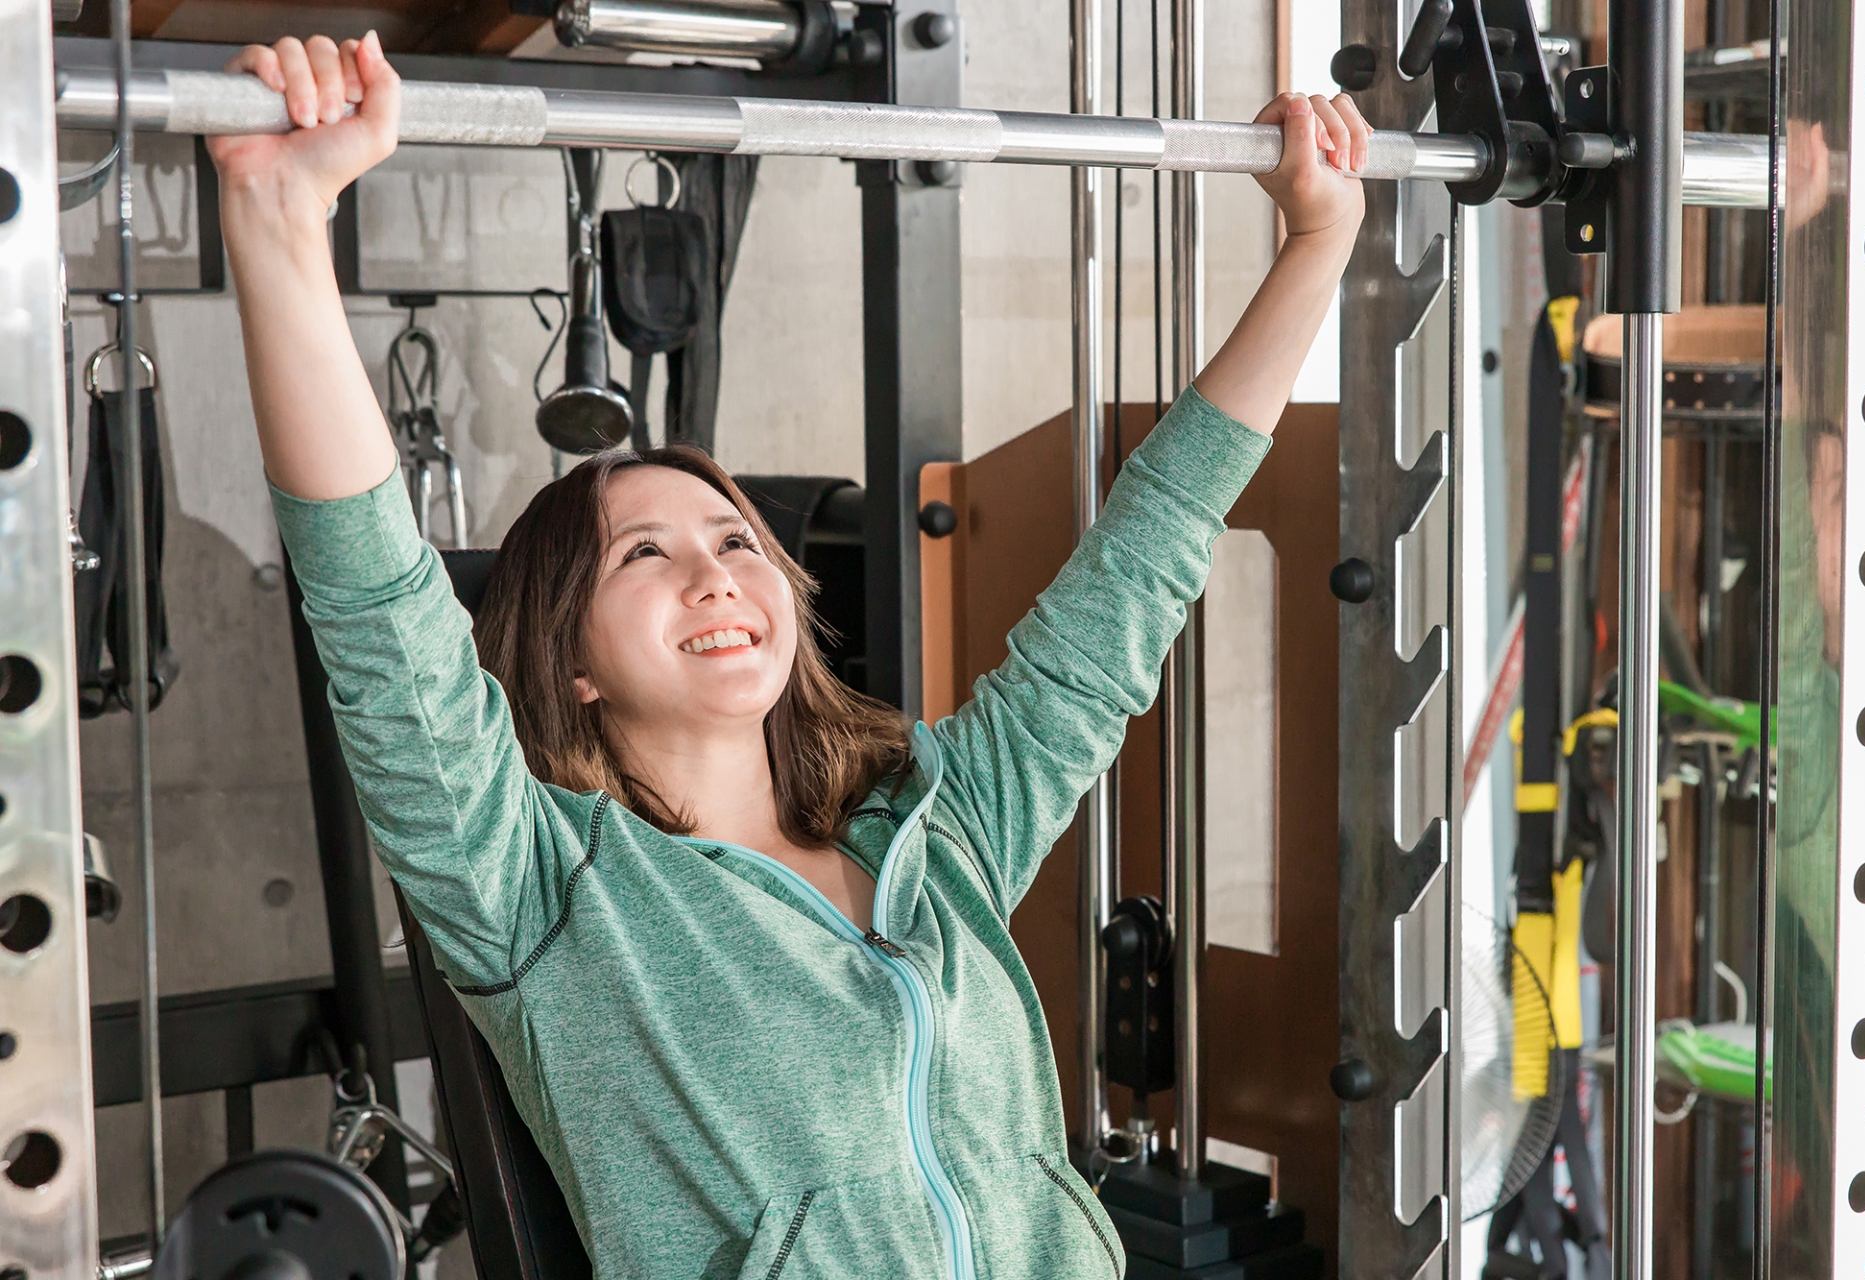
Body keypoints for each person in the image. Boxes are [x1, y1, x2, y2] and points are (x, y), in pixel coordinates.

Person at [210, 32, 1370, 1279]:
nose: (713, 570)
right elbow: (385, 622)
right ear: (572, 664)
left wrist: (1318, 246)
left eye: (733, 538)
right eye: (642, 557)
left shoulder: (939, 821)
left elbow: (1141, 568)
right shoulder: (549, 891)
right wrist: (279, 222)